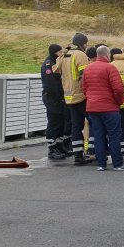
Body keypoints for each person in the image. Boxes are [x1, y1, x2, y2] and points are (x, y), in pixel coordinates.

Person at [82, 46, 124, 171]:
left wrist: (91, 99)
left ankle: (101, 164)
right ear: (107, 54)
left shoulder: (87, 69)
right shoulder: (110, 68)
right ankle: (117, 164)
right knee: (114, 136)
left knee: (98, 135)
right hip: (109, 108)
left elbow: (84, 88)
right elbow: (119, 88)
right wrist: (118, 102)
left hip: (92, 107)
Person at [53, 32, 90, 165]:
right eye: (86, 43)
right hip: (81, 95)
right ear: (83, 44)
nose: (87, 46)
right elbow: (84, 76)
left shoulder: (64, 55)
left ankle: (78, 155)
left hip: (69, 96)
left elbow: (56, 71)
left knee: (76, 126)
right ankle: (92, 151)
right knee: (93, 122)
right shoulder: (80, 55)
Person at [40, 43, 67, 160]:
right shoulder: (48, 65)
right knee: (53, 122)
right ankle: (52, 148)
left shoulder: (55, 63)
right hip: (52, 98)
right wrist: (57, 99)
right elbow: (52, 84)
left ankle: (59, 145)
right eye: (59, 52)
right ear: (54, 52)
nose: (61, 54)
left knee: (61, 122)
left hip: (59, 98)